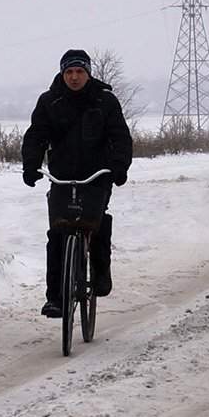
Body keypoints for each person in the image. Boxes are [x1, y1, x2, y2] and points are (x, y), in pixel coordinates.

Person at [20, 49, 133, 317]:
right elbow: (36, 135)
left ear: (88, 73)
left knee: (96, 223)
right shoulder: (50, 101)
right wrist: (31, 166)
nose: (74, 77)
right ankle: (56, 299)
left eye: (79, 71)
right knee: (58, 234)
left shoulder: (105, 101)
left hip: (97, 176)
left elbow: (121, 137)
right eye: (69, 72)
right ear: (62, 73)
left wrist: (119, 167)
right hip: (61, 176)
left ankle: (100, 273)